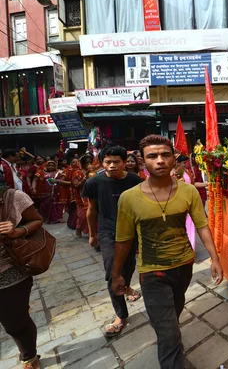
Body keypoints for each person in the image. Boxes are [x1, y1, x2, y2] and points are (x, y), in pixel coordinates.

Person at [112, 135, 223, 368]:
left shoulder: (189, 191)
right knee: (169, 333)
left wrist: (215, 258)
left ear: (174, 159)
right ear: (143, 162)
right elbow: (123, 240)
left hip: (183, 265)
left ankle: (168, 335)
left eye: (165, 155)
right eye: (152, 156)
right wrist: (117, 274)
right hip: (152, 271)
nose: (160, 160)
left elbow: (202, 225)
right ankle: (170, 346)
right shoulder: (129, 198)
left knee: (174, 311)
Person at [82, 144, 142, 338]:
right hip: (107, 233)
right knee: (112, 272)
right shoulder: (94, 183)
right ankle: (121, 315)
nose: (112, 165)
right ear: (102, 162)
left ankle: (126, 286)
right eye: (107, 162)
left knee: (128, 267)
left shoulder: (135, 181)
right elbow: (91, 210)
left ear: (125, 162)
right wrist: (92, 234)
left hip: (131, 232)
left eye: (117, 161)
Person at [0, 178, 45, 369]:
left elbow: (37, 220)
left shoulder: (12, 197)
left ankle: (29, 357)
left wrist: (17, 231)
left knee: (15, 322)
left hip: (9, 272)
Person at [172, 155, 197, 250]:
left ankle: (191, 248)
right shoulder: (173, 174)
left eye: (185, 163)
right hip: (179, 202)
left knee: (190, 225)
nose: (185, 165)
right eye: (183, 163)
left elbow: (193, 185)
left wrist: (208, 184)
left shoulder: (187, 172)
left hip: (190, 201)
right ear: (177, 163)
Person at [71, 156, 92, 238]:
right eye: (87, 162)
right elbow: (76, 185)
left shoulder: (94, 172)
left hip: (91, 196)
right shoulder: (77, 173)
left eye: (90, 162)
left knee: (91, 215)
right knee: (82, 216)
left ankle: (92, 233)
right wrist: (85, 178)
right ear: (82, 163)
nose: (89, 164)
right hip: (81, 197)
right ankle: (78, 228)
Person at [57, 158, 79, 230]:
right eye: (73, 162)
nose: (75, 163)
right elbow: (61, 181)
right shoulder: (66, 171)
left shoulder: (82, 170)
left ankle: (78, 224)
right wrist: (73, 183)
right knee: (73, 208)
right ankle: (73, 224)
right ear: (70, 163)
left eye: (77, 162)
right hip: (70, 193)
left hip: (80, 191)